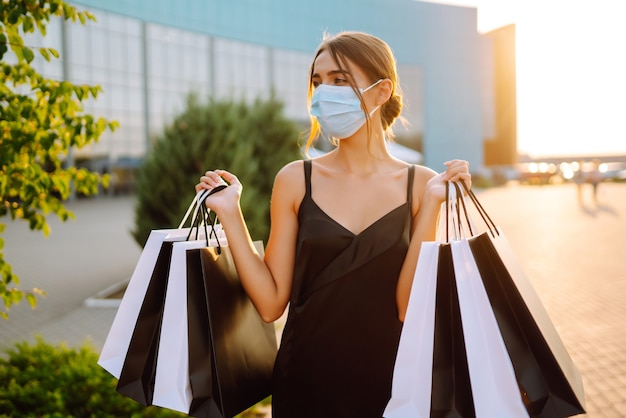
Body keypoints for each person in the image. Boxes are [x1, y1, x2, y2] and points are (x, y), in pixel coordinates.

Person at [196, 31, 471, 417]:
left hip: (394, 385)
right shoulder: (295, 179)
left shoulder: (422, 184)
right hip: (305, 381)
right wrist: (230, 213)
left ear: (381, 91)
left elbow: (409, 306)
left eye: (340, 79)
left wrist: (432, 206)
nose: (325, 92)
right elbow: (272, 302)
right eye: (318, 81)